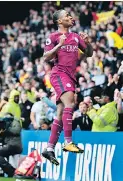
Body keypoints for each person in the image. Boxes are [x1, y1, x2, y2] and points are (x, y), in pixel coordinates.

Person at [42, 9, 93, 165]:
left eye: (70, 15)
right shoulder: (53, 37)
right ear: (59, 21)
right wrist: (60, 46)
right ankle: (68, 142)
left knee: (60, 112)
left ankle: (49, 148)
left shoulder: (76, 37)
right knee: (70, 102)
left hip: (70, 76)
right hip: (59, 74)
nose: (71, 17)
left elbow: (88, 54)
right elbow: (46, 56)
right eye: (67, 16)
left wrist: (89, 44)